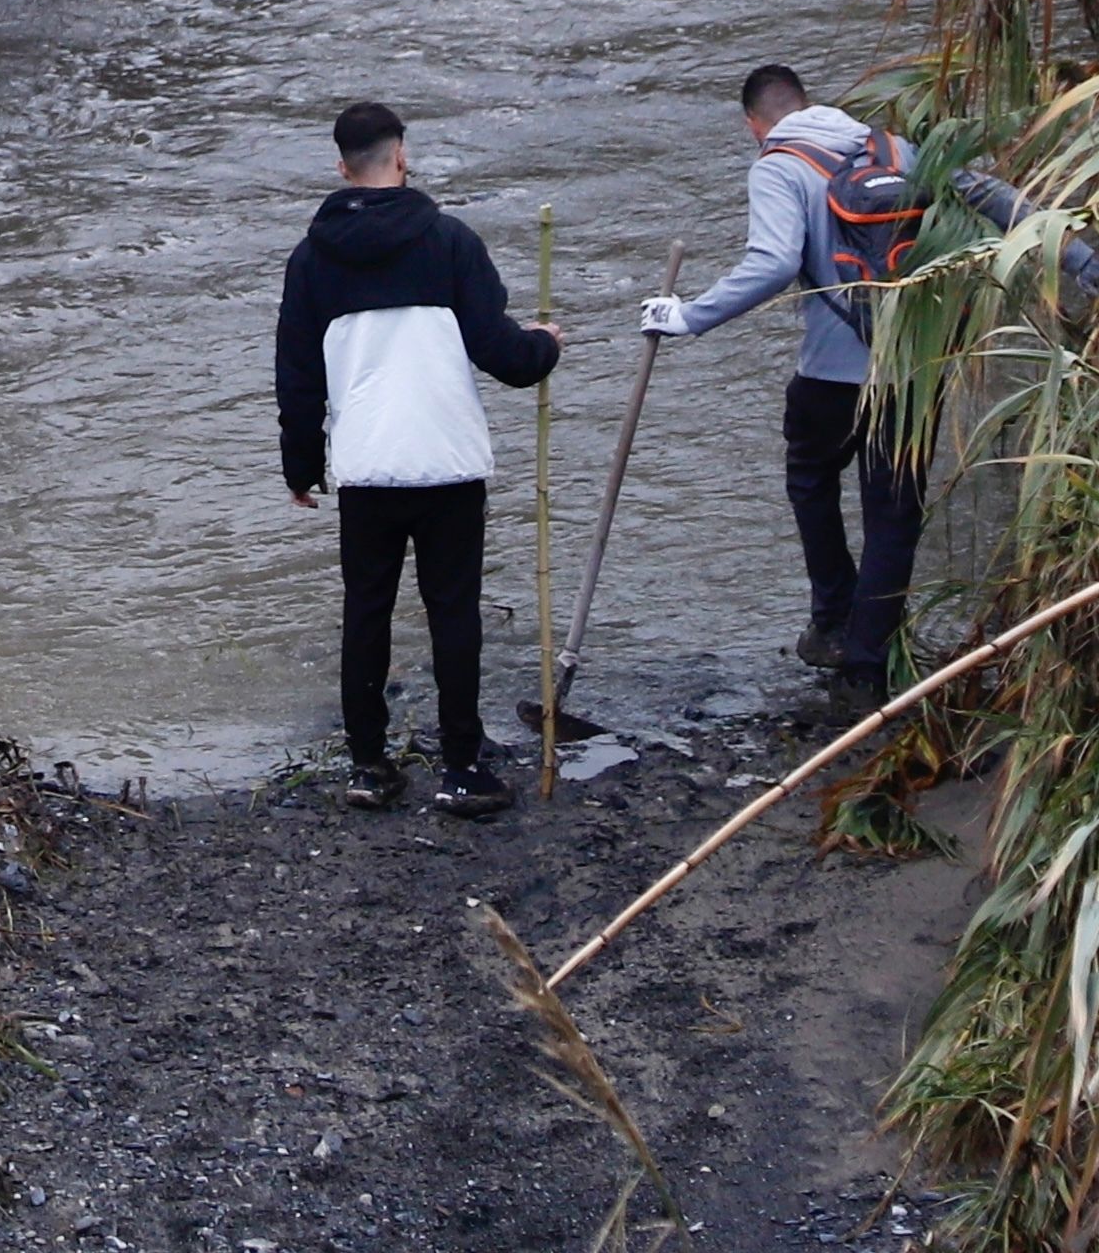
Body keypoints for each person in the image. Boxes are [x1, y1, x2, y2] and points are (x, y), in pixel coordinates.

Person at [639, 64, 1034, 682]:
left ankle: (831, 618)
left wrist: (689, 316)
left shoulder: (778, 167)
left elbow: (773, 263)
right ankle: (867, 666)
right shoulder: (896, 149)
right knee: (894, 514)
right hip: (912, 368)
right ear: (809, 102)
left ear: (753, 125)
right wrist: (1084, 260)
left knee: (811, 481)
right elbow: (995, 197)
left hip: (830, 376)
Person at [276, 99, 560, 815]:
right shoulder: (450, 242)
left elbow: (298, 377)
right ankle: (462, 768)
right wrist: (545, 346)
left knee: (366, 612)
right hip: (447, 461)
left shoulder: (311, 260)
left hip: (366, 466)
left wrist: (301, 467)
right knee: (453, 612)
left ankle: (369, 767)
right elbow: (503, 354)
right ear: (401, 155)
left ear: (341, 167)